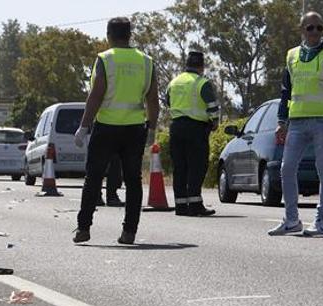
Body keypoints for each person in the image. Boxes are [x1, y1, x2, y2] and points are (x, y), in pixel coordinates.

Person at [73, 17, 159, 245]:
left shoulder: (105, 59)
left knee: (93, 178)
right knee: (133, 180)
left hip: (107, 128)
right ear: (129, 35)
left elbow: (97, 94)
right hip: (134, 129)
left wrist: (83, 126)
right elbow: (152, 98)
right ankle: (129, 232)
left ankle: (83, 228)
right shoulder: (147, 61)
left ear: (109, 35)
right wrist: (151, 127)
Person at [269, 11, 323, 236]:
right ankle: (292, 220)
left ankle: (321, 222)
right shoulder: (292, 56)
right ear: (302, 30)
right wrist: (281, 121)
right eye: (310, 27)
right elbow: (286, 91)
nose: (315, 31)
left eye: (319, 27)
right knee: (286, 169)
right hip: (296, 123)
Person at [166, 51, 219, 216]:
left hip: (176, 127)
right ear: (201, 66)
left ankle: (181, 206)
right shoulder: (202, 82)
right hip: (196, 129)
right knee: (197, 166)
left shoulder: (173, 82)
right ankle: (195, 204)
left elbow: (168, 101)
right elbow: (212, 106)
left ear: (186, 64)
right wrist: (214, 122)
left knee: (180, 167)